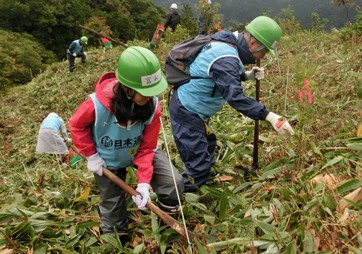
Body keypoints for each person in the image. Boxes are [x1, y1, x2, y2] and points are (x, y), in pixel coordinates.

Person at [168, 16, 295, 192]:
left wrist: (247, 75)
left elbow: (220, 74)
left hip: (196, 111)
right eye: (263, 52)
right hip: (187, 111)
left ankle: (201, 183)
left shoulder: (228, 44)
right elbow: (235, 97)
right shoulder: (226, 57)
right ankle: (174, 197)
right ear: (253, 43)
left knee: (209, 143)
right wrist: (270, 116)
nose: (262, 57)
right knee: (198, 166)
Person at [69, 46, 184, 239]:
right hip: (108, 159)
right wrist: (91, 155)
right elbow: (76, 126)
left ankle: (168, 227)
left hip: (139, 150)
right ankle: (117, 237)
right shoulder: (96, 104)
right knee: (112, 203)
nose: (149, 96)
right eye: (144, 92)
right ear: (126, 88)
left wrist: (144, 182)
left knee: (173, 182)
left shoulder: (152, 106)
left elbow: (147, 147)